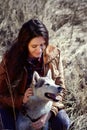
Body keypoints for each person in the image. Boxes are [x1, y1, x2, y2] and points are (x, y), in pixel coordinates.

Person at [0, 18, 70, 130]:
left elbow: (61, 89)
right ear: (24, 44)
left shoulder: (54, 55)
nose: (39, 50)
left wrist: (48, 115)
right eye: (34, 46)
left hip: (46, 107)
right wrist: (21, 99)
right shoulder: (10, 58)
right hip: (16, 107)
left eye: (43, 45)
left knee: (62, 122)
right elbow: (1, 93)